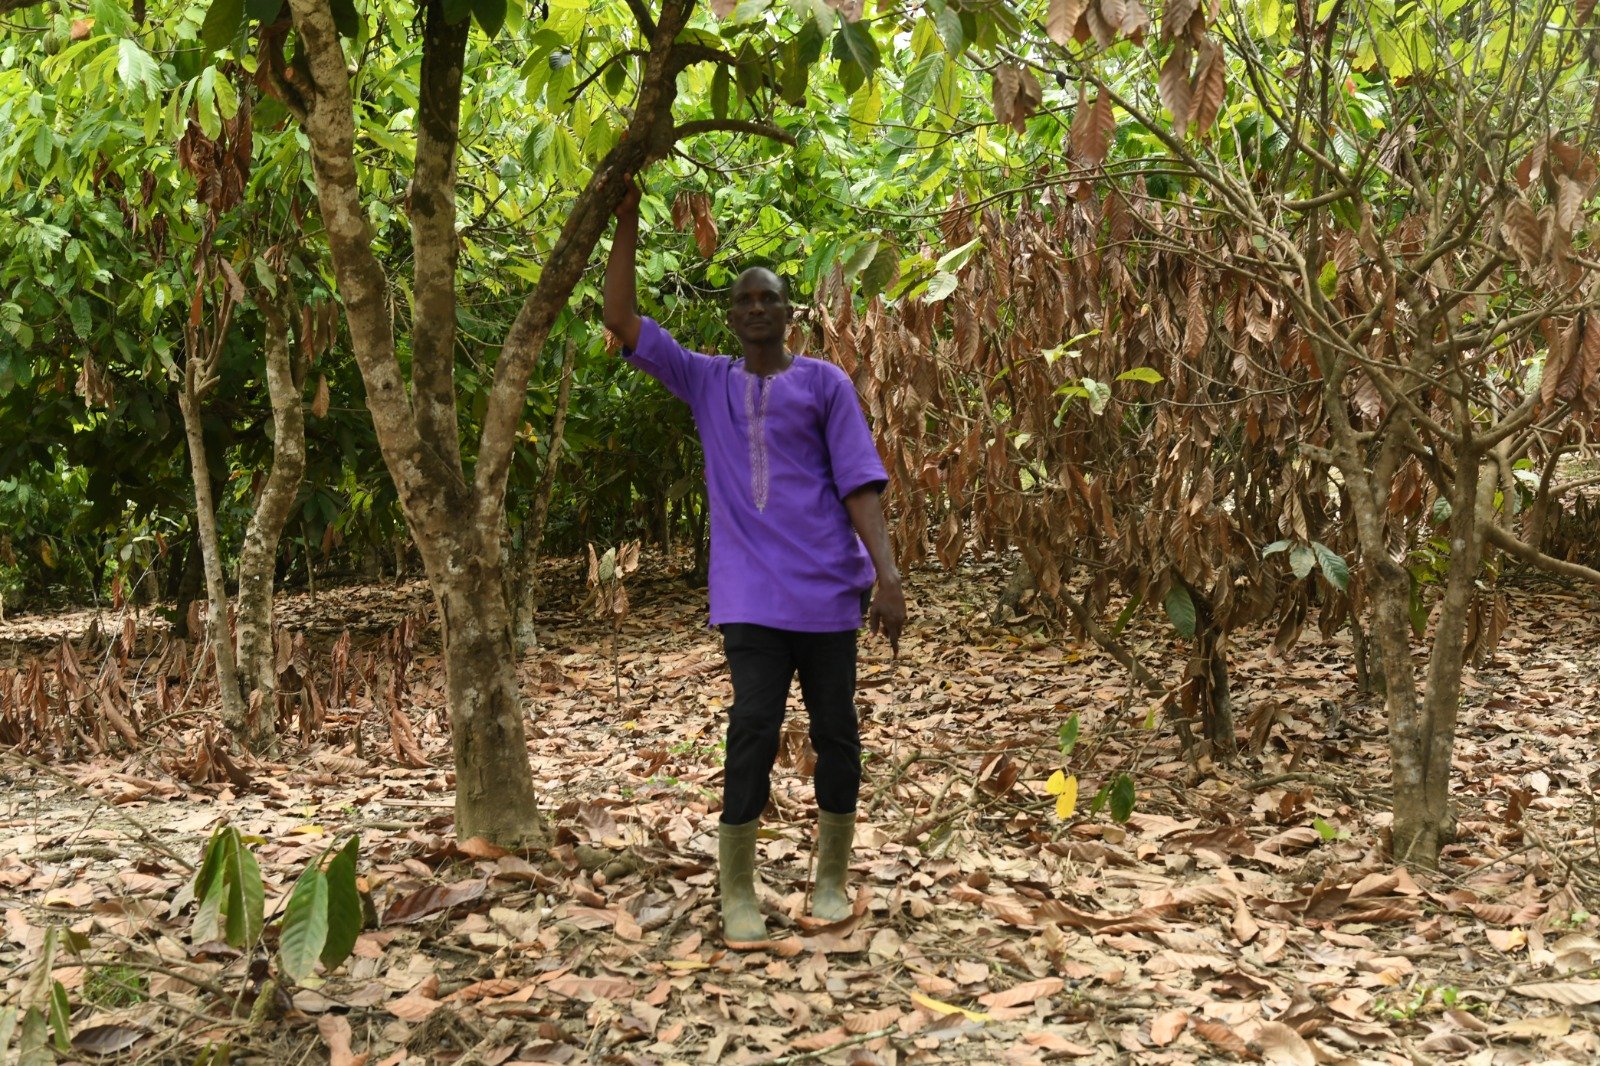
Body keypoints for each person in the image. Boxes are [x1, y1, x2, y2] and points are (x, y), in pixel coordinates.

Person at [603, 180, 906, 949]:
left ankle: (831, 878)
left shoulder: (824, 384)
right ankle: (737, 889)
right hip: (749, 600)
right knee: (752, 728)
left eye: (769, 299)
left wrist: (889, 578)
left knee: (838, 732)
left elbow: (861, 485)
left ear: (789, 312)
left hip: (831, 594)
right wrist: (629, 220)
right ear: (732, 318)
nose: (757, 310)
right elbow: (620, 320)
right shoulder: (707, 380)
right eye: (743, 302)